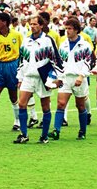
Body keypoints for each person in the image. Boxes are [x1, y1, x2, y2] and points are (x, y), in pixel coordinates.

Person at [13, 15, 62, 144]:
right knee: (22, 104)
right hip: (28, 77)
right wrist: (20, 77)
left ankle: (44, 136)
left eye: (35, 24)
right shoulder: (26, 40)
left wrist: (59, 77)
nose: (33, 26)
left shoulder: (48, 40)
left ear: (41, 25)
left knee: (45, 107)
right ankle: (23, 134)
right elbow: (22, 60)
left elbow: (56, 59)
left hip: (43, 78)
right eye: (31, 24)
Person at [50, 17, 93, 140]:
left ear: (76, 30)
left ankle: (82, 131)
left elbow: (88, 62)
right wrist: (58, 77)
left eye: (69, 29)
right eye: (66, 28)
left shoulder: (85, 45)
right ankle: (56, 131)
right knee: (61, 103)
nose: (67, 31)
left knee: (80, 105)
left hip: (79, 78)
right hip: (65, 78)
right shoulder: (63, 45)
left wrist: (81, 76)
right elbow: (59, 62)